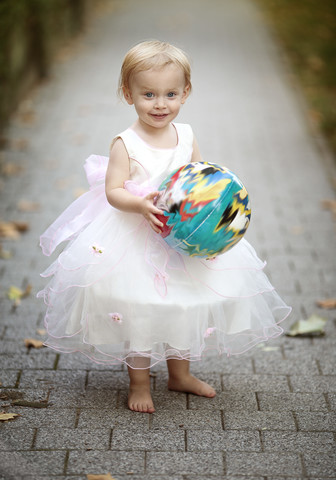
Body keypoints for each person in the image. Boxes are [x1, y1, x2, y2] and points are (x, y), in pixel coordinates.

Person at [38, 40, 291, 414]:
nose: (160, 104)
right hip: (137, 238)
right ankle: (139, 383)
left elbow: (200, 178)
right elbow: (112, 191)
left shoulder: (186, 135)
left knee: (183, 303)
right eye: (148, 94)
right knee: (140, 305)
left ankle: (180, 374)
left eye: (170, 94)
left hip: (184, 240)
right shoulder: (125, 143)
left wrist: (217, 201)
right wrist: (138, 204)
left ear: (185, 93)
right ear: (128, 94)